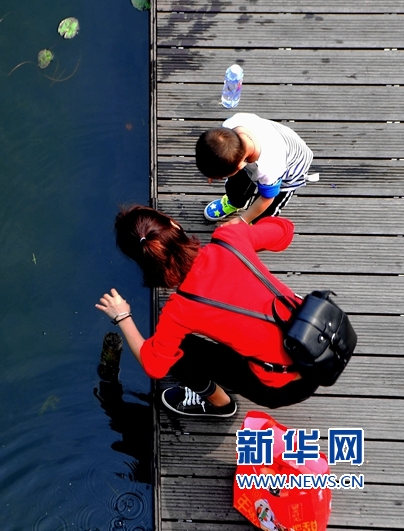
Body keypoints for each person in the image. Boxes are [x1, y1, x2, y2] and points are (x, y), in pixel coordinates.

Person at [94, 205, 319, 417]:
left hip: (285, 387)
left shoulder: (179, 309)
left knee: (180, 352)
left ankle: (221, 405)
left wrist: (122, 316)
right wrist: (241, 225)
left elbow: (154, 366)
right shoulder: (230, 239)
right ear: (173, 224)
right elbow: (285, 231)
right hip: (317, 343)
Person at [196, 113, 315, 225]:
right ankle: (235, 201)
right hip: (267, 141)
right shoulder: (231, 125)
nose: (221, 178)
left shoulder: (269, 167)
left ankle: (254, 223)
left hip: (291, 166)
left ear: (241, 166)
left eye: (221, 177)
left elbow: (267, 199)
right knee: (236, 185)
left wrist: (243, 219)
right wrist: (212, 167)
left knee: (270, 205)